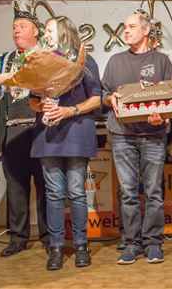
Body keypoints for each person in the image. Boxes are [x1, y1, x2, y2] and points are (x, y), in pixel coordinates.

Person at [102, 11, 172, 265]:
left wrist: (164, 117)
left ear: (146, 31)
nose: (126, 30)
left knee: (154, 192)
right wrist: (109, 99)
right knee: (128, 193)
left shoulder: (162, 60)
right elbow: (104, 94)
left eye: (131, 26)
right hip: (122, 136)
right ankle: (132, 243)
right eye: (124, 27)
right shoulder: (114, 61)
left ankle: (153, 243)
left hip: (154, 135)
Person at [29, 16, 101, 270]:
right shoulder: (39, 61)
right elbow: (32, 101)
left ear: (63, 32)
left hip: (76, 134)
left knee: (77, 193)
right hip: (48, 137)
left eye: (48, 30)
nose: (44, 35)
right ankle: (56, 247)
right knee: (53, 194)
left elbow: (96, 99)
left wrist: (70, 111)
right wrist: (43, 105)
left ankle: (82, 245)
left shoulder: (84, 60)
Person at [0, 0, 49, 257]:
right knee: (16, 187)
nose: (17, 30)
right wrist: (1, 139)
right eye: (14, 27)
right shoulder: (4, 60)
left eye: (22, 26)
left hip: (40, 131)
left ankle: (50, 236)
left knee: (46, 187)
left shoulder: (47, 57)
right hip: (13, 131)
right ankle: (18, 237)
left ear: (36, 31)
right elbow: (2, 101)